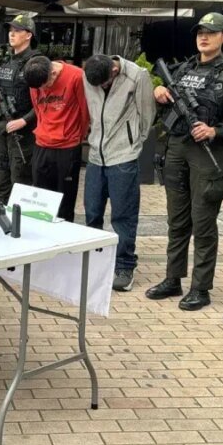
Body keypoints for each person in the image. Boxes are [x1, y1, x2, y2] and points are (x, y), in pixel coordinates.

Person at [145, 12, 223, 311]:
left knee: (203, 225)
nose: (204, 37)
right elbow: (165, 102)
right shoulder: (183, 69)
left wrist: (216, 130)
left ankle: (200, 288)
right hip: (176, 148)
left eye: (212, 32)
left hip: (208, 154)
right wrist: (159, 92)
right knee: (177, 221)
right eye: (200, 32)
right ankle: (172, 278)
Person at [82, 54, 157, 292]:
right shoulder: (90, 74)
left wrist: (133, 143)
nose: (100, 88)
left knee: (123, 215)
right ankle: (94, 260)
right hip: (95, 155)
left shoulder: (137, 76)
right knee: (92, 212)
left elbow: (147, 114)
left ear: (114, 71)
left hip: (123, 156)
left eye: (104, 83)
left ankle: (124, 265)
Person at [21, 55, 89, 222]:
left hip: (68, 146)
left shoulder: (76, 76)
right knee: (40, 198)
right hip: (42, 144)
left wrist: (76, 137)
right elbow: (38, 109)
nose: (43, 90)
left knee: (65, 200)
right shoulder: (36, 79)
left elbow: (85, 111)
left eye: (45, 85)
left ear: (52, 73)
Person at [0, 14, 38, 204]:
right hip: (0, 126)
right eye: (10, 30)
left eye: (17, 30)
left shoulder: (36, 62)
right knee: (1, 177)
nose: (11, 34)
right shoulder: (5, 62)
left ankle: (17, 218)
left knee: (20, 182)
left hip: (23, 131)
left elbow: (44, 102)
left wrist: (24, 120)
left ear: (29, 35)